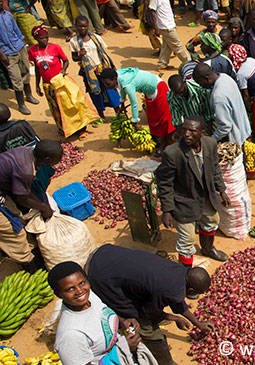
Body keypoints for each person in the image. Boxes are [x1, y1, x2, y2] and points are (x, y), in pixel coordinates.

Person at [87, 244, 213, 364]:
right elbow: (147, 313)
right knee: (144, 325)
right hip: (99, 276)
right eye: (198, 292)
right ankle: (165, 362)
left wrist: (197, 323)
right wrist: (174, 318)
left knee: (143, 296)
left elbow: (176, 299)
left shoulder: (179, 271)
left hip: (105, 254)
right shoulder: (168, 290)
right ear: (190, 290)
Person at [49, 262, 158, 365]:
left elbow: (101, 311)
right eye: (70, 289)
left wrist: (122, 321)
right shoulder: (70, 336)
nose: (79, 291)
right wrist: (123, 350)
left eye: (82, 283)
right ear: (58, 294)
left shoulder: (88, 295)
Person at [156, 117, 231, 264]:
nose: (187, 134)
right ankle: (185, 272)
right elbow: (165, 183)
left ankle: (208, 249)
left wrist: (221, 190)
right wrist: (167, 210)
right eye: (184, 130)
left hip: (205, 195)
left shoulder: (210, 144)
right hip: (184, 200)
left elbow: (215, 168)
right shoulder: (173, 153)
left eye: (192, 131)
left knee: (212, 221)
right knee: (187, 240)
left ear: (202, 133)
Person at [0, 140, 62, 272]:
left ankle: (32, 254)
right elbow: (21, 198)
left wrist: (41, 205)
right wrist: (43, 208)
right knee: (13, 234)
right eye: (57, 159)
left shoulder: (27, 152)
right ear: (47, 158)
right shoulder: (25, 170)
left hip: (3, 194)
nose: (59, 161)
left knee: (18, 220)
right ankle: (32, 269)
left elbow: (25, 192)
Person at [31, 25, 97, 140]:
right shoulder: (32, 50)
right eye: (42, 38)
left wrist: (63, 70)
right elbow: (38, 69)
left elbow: (65, 60)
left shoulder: (55, 47)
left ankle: (82, 129)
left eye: (46, 37)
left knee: (72, 104)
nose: (45, 40)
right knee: (56, 107)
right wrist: (37, 85)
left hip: (61, 81)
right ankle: (65, 129)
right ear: (36, 39)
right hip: (48, 84)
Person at [101, 68, 176, 154]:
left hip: (158, 88)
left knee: (163, 117)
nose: (107, 86)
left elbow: (134, 104)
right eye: (105, 84)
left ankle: (165, 143)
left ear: (114, 78)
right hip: (149, 91)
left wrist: (135, 122)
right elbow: (122, 89)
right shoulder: (119, 76)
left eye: (108, 83)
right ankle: (156, 137)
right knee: (152, 116)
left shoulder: (128, 85)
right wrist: (122, 103)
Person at [69, 15, 119, 121]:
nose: (82, 28)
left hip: (101, 69)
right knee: (95, 93)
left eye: (85, 26)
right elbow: (74, 58)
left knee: (111, 91)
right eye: (80, 26)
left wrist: (105, 65)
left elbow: (102, 53)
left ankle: (118, 112)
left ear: (88, 26)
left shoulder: (96, 38)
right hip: (88, 72)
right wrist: (80, 56)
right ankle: (101, 115)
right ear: (76, 27)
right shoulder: (74, 41)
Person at [193, 63, 252, 144]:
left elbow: (225, 126)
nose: (201, 86)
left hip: (236, 139)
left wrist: (212, 139)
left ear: (206, 78)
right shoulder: (225, 77)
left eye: (200, 83)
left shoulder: (218, 96)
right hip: (244, 129)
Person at [0, 2, 38, 115]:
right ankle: (21, 104)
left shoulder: (8, 15)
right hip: (7, 52)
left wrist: (23, 43)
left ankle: (29, 95)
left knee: (25, 70)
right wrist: (1, 54)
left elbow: (17, 30)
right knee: (15, 77)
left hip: (19, 47)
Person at [149, 0, 191, 71]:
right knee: (177, 46)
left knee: (166, 46)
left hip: (169, 25)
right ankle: (189, 63)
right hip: (166, 27)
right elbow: (152, 11)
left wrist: (173, 23)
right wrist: (156, 27)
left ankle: (162, 64)